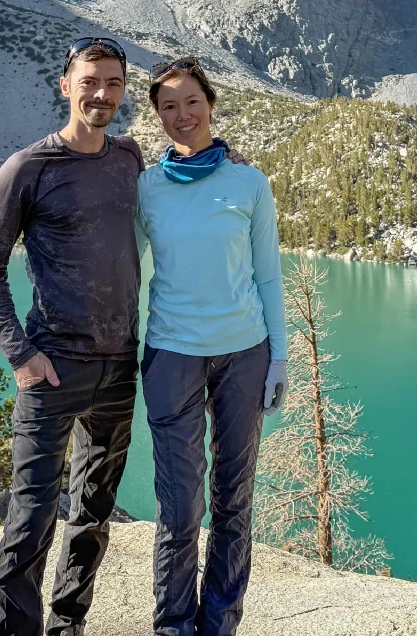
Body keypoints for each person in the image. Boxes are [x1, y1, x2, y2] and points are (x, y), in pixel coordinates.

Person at [0, 38, 246, 636]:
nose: (102, 94)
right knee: (31, 516)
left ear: (125, 92)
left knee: (93, 512)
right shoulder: (27, 168)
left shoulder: (127, 159)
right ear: (65, 84)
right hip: (53, 367)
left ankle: (68, 623)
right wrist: (20, 354)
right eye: (90, 81)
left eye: (114, 84)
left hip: (119, 367)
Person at [135, 57, 289, 636]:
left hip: (244, 353)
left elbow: (268, 275)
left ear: (211, 103)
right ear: (156, 115)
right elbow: (124, 267)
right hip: (171, 354)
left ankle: (220, 621)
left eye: (191, 101)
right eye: (168, 105)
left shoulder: (249, 182)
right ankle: (173, 625)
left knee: (233, 497)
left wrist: (279, 357)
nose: (182, 115)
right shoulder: (146, 185)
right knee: (179, 506)